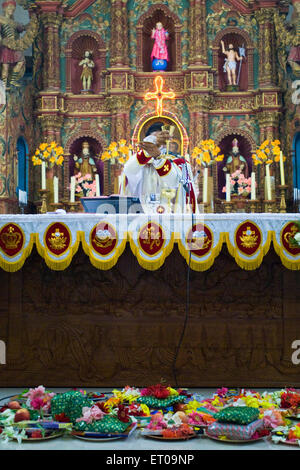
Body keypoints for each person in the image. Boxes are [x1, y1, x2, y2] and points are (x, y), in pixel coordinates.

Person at [120, 123, 198, 213]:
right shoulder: (138, 162)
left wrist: (158, 158)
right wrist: (150, 150)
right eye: (153, 140)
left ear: (168, 142)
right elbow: (129, 170)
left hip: (171, 217)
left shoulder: (180, 163)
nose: (158, 144)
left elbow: (173, 182)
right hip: (142, 217)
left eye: (161, 141)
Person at [0, 0, 26, 88]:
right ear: (4, 8)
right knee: (5, 66)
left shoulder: (14, 22)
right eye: (9, 7)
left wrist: (28, 26)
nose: (12, 9)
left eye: (13, 8)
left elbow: (21, 28)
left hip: (15, 46)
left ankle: (12, 80)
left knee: (21, 61)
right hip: (6, 46)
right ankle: (3, 85)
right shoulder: (1, 19)